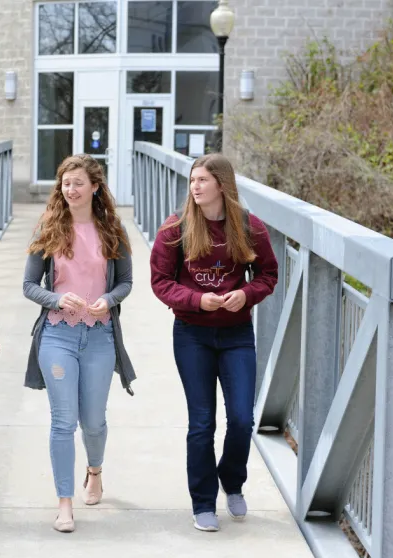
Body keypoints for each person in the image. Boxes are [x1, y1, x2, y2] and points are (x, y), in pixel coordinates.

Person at [150, 153, 278, 533]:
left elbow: (268, 273)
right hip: (192, 335)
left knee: (241, 419)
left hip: (237, 334)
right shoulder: (175, 228)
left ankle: (232, 480)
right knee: (202, 423)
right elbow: (160, 282)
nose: (195, 186)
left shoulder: (249, 227)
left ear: (221, 184)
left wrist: (248, 294)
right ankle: (203, 501)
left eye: (202, 180)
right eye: (192, 180)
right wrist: (196, 300)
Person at [23, 154, 135, 533]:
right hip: (57, 335)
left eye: (77, 183)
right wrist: (56, 299)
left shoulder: (112, 230)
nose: (70, 190)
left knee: (93, 422)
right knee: (63, 421)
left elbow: (125, 283)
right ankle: (64, 503)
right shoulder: (49, 227)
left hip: (100, 336)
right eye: (65, 183)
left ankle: (95, 471)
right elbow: (29, 286)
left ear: (94, 187)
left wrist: (110, 299)